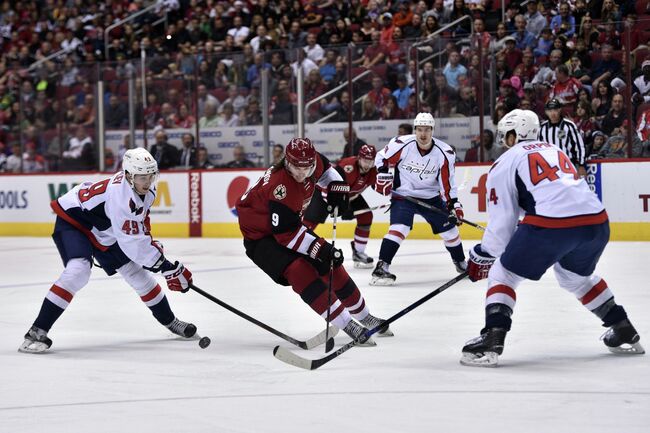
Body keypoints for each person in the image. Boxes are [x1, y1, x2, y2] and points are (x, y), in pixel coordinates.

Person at [460, 109, 644, 367]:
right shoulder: (553, 149)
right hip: (596, 222)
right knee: (575, 277)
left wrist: (483, 254)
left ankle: (492, 337)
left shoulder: (505, 161)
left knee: (503, 273)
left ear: (514, 135)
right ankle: (622, 326)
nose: (504, 140)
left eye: (506, 135)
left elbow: (502, 225)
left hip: (552, 225)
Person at [19, 148, 197, 353]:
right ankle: (37, 331)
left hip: (106, 229)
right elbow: (131, 241)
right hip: (77, 221)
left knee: (138, 275)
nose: (147, 182)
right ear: (129, 176)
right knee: (78, 271)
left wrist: (156, 255)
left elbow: (139, 224)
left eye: (151, 176)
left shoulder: (147, 191)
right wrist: (166, 266)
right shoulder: (121, 197)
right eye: (142, 177)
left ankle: (170, 322)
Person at [235, 138, 393, 345]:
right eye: (295, 168)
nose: (301, 173)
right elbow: (286, 234)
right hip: (261, 238)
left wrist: (337, 186)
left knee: (330, 263)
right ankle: (348, 324)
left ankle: (365, 316)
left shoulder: (310, 161)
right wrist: (320, 248)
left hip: (287, 226)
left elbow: (327, 170)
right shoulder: (280, 186)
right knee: (299, 269)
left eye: (306, 168)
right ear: (286, 161)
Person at [370, 112, 467, 285]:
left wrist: (454, 206)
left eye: (427, 130)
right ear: (415, 129)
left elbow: (448, 184)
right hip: (404, 195)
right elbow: (381, 158)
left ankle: (460, 263)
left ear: (432, 131)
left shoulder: (444, 153)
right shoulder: (401, 144)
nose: (423, 134)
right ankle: (381, 267)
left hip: (432, 197)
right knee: (400, 228)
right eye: (420, 129)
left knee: (451, 232)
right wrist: (382, 174)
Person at [303, 144, 379, 269]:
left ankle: (359, 252)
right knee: (310, 222)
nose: (367, 165)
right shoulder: (347, 167)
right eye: (365, 160)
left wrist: (393, 193)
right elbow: (329, 185)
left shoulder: (373, 171)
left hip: (349, 196)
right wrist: (342, 207)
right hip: (326, 192)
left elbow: (381, 188)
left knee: (366, 216)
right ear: (359, 158)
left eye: (371, 161)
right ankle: (296, 247)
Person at [538, 99, 586, 177]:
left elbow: (579, 146)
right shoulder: (542, 128)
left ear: (560, 110)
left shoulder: (569, 125)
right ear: (546, 112)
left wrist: (581, 164)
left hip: (568, 164)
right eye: (550, 110)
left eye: (555, 110)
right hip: (549, 167)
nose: (552, 113)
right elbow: (539, 149)